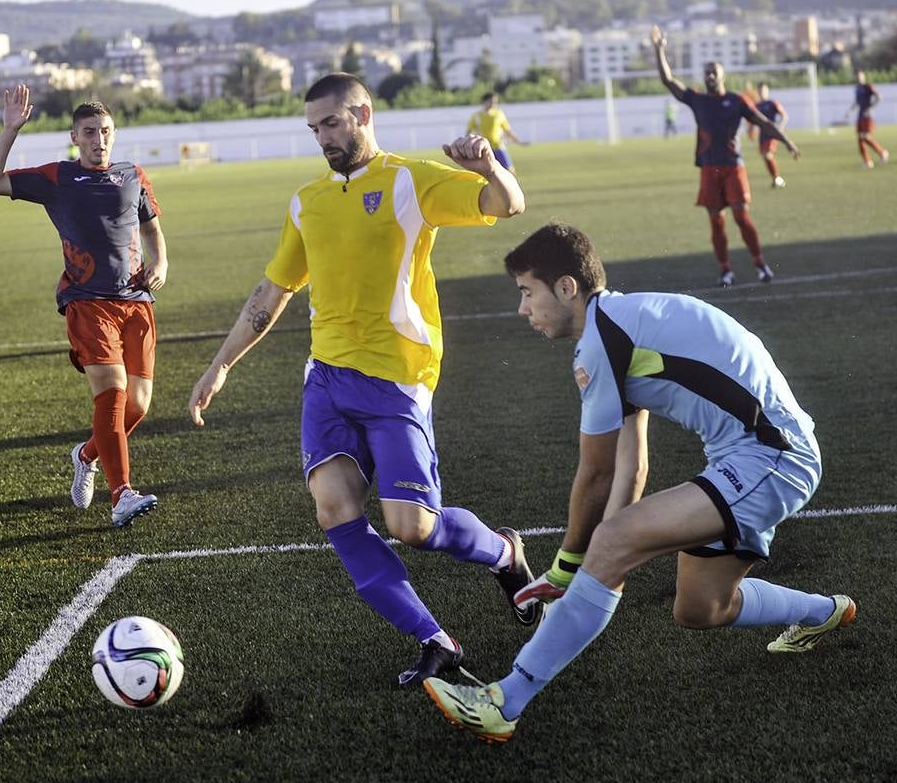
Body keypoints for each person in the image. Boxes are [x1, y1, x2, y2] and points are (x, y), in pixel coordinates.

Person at [423, 222, 857, 743]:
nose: (522, 310)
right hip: (751, 458)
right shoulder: (618, 328)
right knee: (701, 609)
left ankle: (503, 700)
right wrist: (596, 560)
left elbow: (598, 473)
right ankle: (827, 611)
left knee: (611, 540)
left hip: (772, 457)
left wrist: (573, 563)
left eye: (526, 292)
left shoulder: (604, 339)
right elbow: (631, 469)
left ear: (567, 288)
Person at [187, 73, 536, 687]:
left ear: (363, 114)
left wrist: (487, 166)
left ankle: (505, 553)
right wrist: (220, 365)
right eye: (314, 127)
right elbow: (272, 293)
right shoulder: (306, 201)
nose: (322, 137)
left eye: (331, 124)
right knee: (335, 509)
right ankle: (435, 639)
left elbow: (508, 204)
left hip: (398, 379)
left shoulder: (410, 179)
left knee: (413, 527)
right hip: (326, 378)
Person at [0, 85, 166, 528]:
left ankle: (85, 455)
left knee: (138, 406)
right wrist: (9, 131)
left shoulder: (134, 175)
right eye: (89, 132)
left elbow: (153, 229)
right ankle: (121, 493)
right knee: (113, 391)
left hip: (136, 301)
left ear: (114, 134)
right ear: (74, 137)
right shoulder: (57, 178)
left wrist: (162, 263)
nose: (98, 139)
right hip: (87, 301)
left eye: (104, 131)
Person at [650, 25, 799, 288]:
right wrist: (659, 50)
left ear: (722, 75)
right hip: (709, 169)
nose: (709, 75)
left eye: (713, 71)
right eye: (706, 72)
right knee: (716, 222)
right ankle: (725, 271)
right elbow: (668, 81)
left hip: (733, 167)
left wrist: (786, 141)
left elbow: (763, 122)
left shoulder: (736, 101)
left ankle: (760, 264)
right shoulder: (696, 99)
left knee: (742, 217)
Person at [467, 92, 528, 173]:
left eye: (495, 102)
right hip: (484, 149)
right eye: (492, 101)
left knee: (510, 171)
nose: (494, 104)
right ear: (485, 101)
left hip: (498, 147)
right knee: (485, 174)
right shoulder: (476, 116)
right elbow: (469, 132)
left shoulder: (499, 114)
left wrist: (519, 142)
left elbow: (508, 131)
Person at [844, 70, 889, 169]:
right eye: (857, 76)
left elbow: (879, 97)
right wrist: (850, 111)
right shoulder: (856, 88)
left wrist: (870, 108)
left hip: (868, 116)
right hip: (860, 116)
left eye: (860, 76)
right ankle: (867, 162)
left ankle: (882, 152)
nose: (859, 78)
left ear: (864, 77)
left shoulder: (868, 86)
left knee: (866, 137)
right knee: (860, 139)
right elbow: (856, 102)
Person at [751, 81, 789, 187]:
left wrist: (780, 127)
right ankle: (777, 179)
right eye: (760, 90)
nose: (762, 92)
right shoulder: (756, 105)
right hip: (762, 134)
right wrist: (751, 129)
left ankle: (777, 179)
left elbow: (784, 116)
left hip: (772, 133)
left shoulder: (772, 103)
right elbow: (753, 120)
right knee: (765, 156)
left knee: (768, 155)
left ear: (767, 91)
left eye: (763, 90)